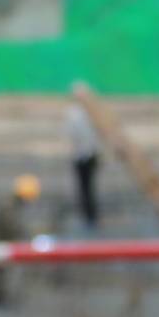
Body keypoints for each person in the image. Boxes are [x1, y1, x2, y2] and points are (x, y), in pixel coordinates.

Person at [0, 174, 40, 307]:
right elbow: (10, 226)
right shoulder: (9, 206)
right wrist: (22, 236)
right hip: (1, 242)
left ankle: (1, 297)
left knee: (2, 271)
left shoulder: (11, 204)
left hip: (2, 241)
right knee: (1, 271)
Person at [67, 84, 101, 231]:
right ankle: (88, 216)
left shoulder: (85, 113)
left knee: (87, 187)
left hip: (87, 155)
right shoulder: (79, 113)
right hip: (83, 155)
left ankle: (90, 217)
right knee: (85, 188)